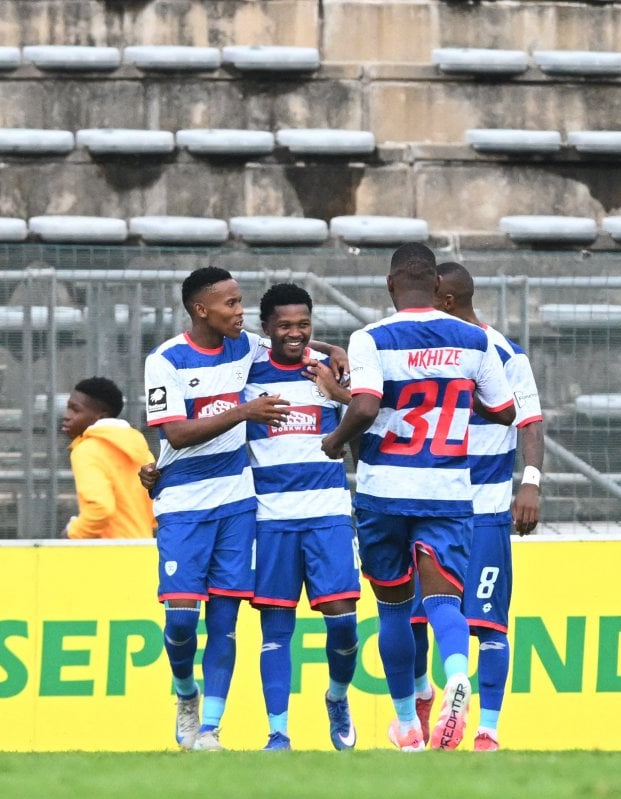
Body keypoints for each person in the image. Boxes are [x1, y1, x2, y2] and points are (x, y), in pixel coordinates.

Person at [321, 242, 517, 751]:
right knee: (445, 601)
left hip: (385, 490)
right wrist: (457, 390)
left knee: (392, 610)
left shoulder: (371, 338)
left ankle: (408, 722)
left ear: (390, 286)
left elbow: (364, 407)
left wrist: (335, 442)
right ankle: (457, 676)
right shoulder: (475, 339)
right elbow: (506, 412)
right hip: (448, 490)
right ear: (437, 287)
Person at [142, 266, 346, 751]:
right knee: (181, 622)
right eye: (231, 304)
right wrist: (243, 412)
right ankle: (186, 693)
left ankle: (210, 729)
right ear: (201, 309)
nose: (240, 312)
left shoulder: (247, 347)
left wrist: (338, 351)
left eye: (240, 303)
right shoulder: (165, 360)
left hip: (238, 501)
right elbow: (174, 434)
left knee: (226, 622)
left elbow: (296, 346)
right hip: (183, 501)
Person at [410, 261, 544, 752]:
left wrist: (529, 482)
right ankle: (426, 704)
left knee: (488, 621)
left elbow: (529, 420)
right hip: (426, 505)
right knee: (420, 620)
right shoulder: (423, 350)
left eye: (428, 293)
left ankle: (487, 729)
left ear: (445, 299)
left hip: (485, 509)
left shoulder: (505, 353)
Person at [245, 283, 360, 751]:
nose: (295, 334)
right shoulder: (246, 369)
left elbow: (371, 416)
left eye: (304, 325)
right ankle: (278, 732)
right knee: (276, 628)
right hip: (270, 518)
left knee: (344, 623)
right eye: (285, 326)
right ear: (266, 327)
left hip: (328, 514)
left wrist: (337, 383)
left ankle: (336, 696)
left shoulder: (329, 371)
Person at [61, 376, 155, 539]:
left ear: (100, 416)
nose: (66, 416)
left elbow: (100, 509)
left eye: (75, 409)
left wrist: (71, 534)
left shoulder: (87, 450)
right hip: (143, 550)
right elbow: (155, 511)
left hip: (107, 554)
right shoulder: (140, 449)